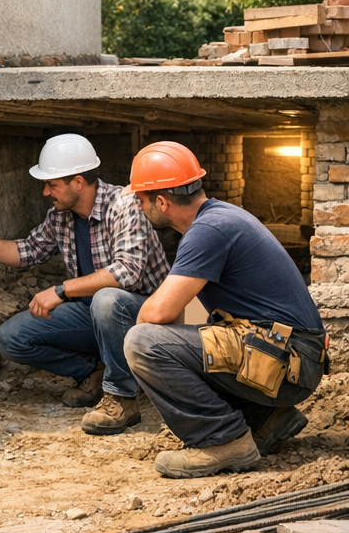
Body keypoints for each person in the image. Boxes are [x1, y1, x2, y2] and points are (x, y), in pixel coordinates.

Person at [123, 141, 328, 478]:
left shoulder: (208, 231)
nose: (139, 206)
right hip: (289, 356)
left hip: (289, 361)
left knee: (143, 342)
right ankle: (266, 417)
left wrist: (146, 324)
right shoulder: (219, 217)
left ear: (162, 201)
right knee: (185, 339)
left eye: (141, 199)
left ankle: (223, 441)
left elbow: (156, 315)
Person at [0, 133, 168, 435]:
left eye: (52, 184)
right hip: (94, 316)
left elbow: (127, 273)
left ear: (78, 182)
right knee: (11, 337)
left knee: (107, 299)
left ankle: (122, 397)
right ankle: (94, 374)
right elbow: (25, 252)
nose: (46, 192)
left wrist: (61, 290)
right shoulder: (61, 216)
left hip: (145, 320)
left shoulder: (124, 206)